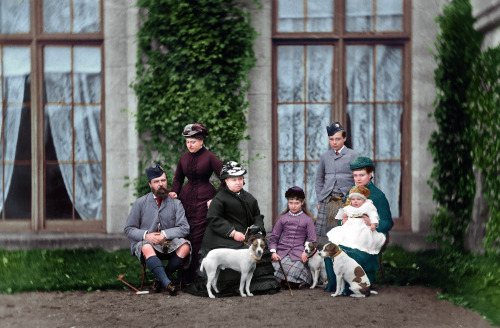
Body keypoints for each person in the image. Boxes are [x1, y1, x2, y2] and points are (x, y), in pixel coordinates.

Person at [184, 161, 280, 297]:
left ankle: (253, 286)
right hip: (222, 236)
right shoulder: (220, 198)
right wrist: (232, 232)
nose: (238, 182)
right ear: (226, 181)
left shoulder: (249, 198)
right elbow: (213, 218)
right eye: (234, 180)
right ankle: (230, 286)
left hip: (245, 234)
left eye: (240, 179)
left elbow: (257, 215)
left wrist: (257, 228)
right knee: (239, 252)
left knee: (257, 246)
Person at [324, 156, 394, 293]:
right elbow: (345, 213)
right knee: (332, 250)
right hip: (351, 232)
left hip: (369, 233)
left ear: (370, 174)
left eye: (362, 175)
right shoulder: (352, 193)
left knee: (353, 254)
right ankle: (335, 285)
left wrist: (373, 223)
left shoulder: (378, 196)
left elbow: (388, 222)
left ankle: (355, 286)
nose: (358, 179)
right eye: (355, 175)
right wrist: (342, 221)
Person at [124, 163, 191, 296]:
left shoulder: (175, 203)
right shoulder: (140, 203)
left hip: (168, 242)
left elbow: (184, 228)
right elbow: (128, 229)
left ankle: (160, 280)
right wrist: (146, 235)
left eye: (163, 180)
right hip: (147, 243)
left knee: (185, 247)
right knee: (146, 247)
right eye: (156, 181)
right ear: (150, 184)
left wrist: (165, 234)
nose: (161, 184)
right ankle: (168, 284)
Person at [169, 123, 223, 285]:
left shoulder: (210, 157)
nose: (189, 145)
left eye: (193, 141)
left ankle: (199, 278)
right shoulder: (183, 158)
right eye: (187, 142)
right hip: (185, 202)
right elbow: (178, 178)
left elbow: (225, 178)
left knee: (199, 238)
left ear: (201, 141)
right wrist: (174, 192)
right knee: (185, 235)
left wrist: (216, 199)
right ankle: (183, 278)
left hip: (204, 202)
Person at [315, 121, 358, 243]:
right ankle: (327, 259)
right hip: (327, 199)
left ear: (344, 138)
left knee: (345, 233)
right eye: (331, 139)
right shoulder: (325, 156)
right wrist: (320, 199)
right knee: (326, 236)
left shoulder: (353, 155)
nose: (334, 142)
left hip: (346, 199)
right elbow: (319, 180)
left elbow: (360, 178)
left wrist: (355, 198)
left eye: (338, 139)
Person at [268, 186, 317, 289]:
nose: (293, 206)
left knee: (295, 269)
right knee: (273, 268)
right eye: (291, 203)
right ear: (288, 203)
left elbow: (312, 240)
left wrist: (306, 252)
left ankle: (288, 282)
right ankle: (285, 282)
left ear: (302, 203)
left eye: (296, 203)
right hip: (282, 252)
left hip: (298, 253)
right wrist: (273, 252)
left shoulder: (308, 220)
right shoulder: (282, 218)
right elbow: (273, 238)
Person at [326, 185, 386, 255]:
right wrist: (344, 220)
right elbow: (344, 216)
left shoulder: (367, 206)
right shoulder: (349, 208)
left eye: (358, 199)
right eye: (353, 199)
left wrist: (373, 224)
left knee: (360, 237)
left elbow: (373, 215)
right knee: (341, 234)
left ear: (364, 200)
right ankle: (346, 249)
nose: (355, 201)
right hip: (350, 225)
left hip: (362, 225)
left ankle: (357, 250)